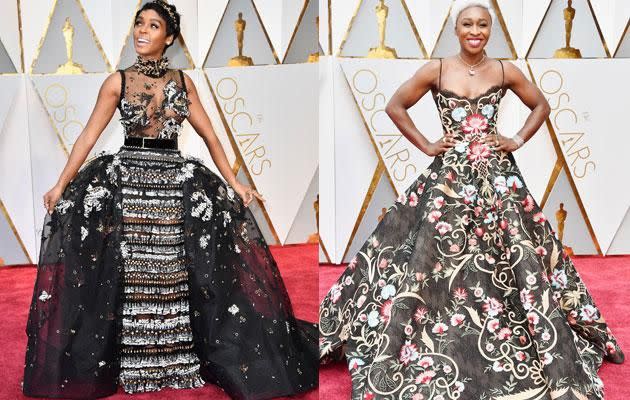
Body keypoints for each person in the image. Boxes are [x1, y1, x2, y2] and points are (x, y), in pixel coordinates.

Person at [318, 0, 623, 399]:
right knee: (428, 253)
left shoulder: (504, 70)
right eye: (467, 24)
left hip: (498, 177)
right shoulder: (437, 69)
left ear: (490, 30)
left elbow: (541, 105)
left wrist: (514, 140)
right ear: (456, 29)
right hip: (449, 178)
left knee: (518, 249)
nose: (474, 30)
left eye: (482, 24)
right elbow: (395, 106)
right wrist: (428, 145)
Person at [22, 1, 317, 399]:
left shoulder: (182, 82)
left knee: (175, 273)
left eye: (153, 25)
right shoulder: (117, 82)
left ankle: (177, 357)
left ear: (170, 38)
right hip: (128, 182)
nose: (142, 31)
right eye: (138, 23)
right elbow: (88, 137)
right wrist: (60, 184)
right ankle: (132, 361)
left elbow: (211, 137)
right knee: (132, 273)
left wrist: (235, 183)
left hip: (174, 181)